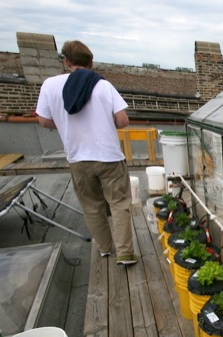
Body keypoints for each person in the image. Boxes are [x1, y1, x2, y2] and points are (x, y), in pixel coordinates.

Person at [36, 40, 137, 265]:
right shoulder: (103, 85)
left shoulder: (50, 86)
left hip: (78, 157)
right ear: (91, 62)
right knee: (119, 203)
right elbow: (122, 120)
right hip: (109, 156)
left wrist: (64, 124)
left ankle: (104, 248)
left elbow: (43, 121)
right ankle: (125, 253)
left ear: (66, 61)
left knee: (92, 206)